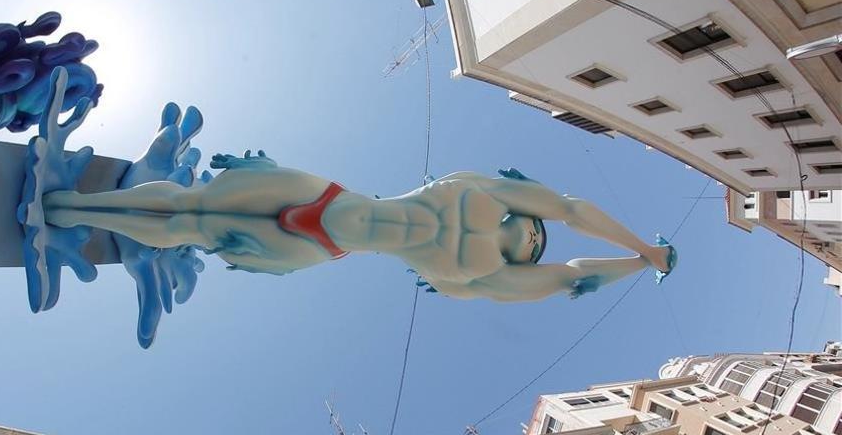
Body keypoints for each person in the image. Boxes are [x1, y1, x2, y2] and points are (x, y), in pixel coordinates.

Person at [42, 150, 676, 302]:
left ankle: (75, 209)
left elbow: (569, 245)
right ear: (529, 231)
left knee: (195, 213)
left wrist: (641, 253)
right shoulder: (472, 269)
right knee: (194, 216)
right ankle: (72, 210)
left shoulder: (478, 217)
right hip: (329, 228)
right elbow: (571, 277)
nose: (541, 233)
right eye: (540, 230)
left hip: (331, 216)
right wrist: (640, 255)